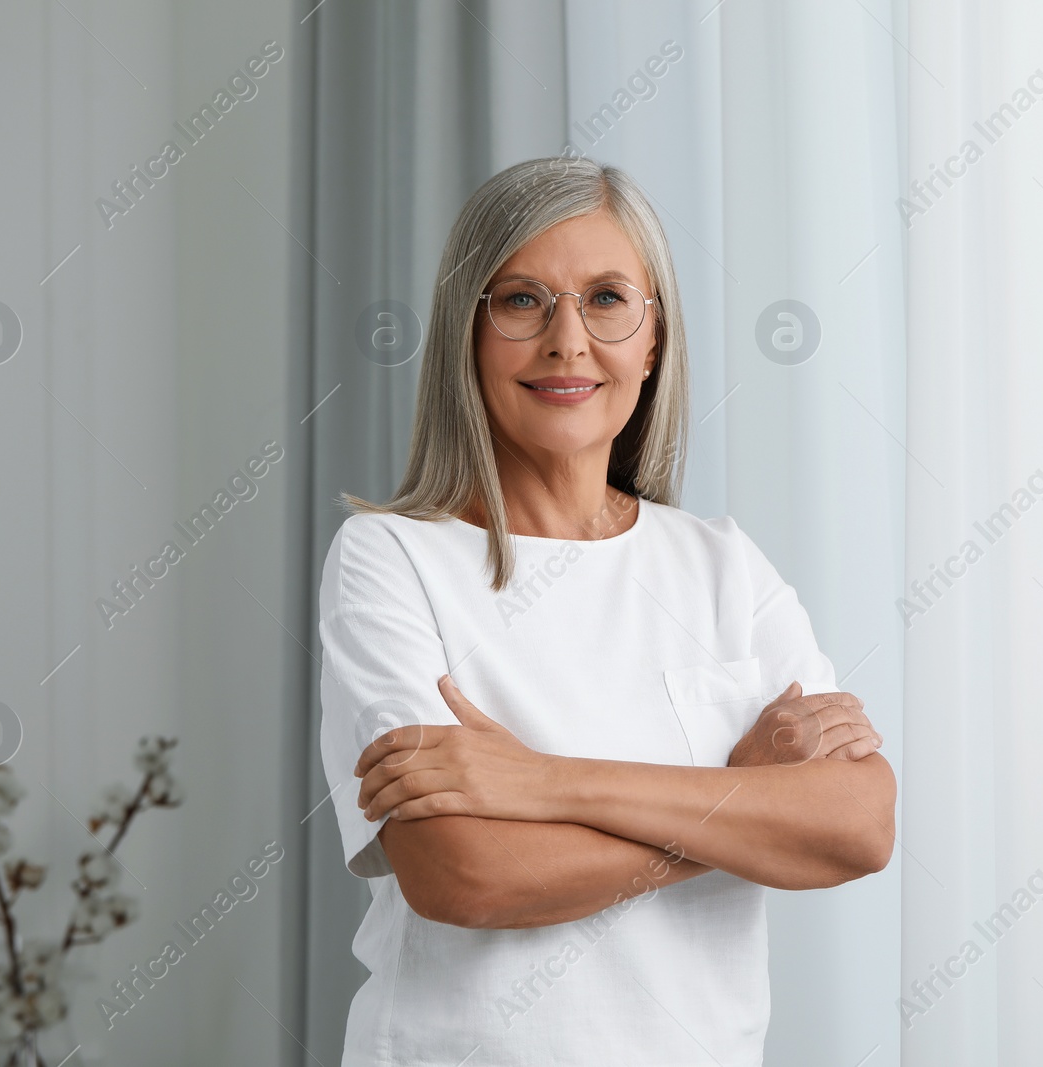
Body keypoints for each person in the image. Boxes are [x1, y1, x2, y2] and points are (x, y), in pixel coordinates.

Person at [317, 155, 894, 1067]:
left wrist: (542, 785)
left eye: (608, 298)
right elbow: (463, 873)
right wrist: (742, 806)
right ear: (467, 334)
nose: (567, 341)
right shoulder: (392, 560)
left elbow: (859, 825)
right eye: (521, 300)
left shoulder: (722, 565)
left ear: (654, 339)